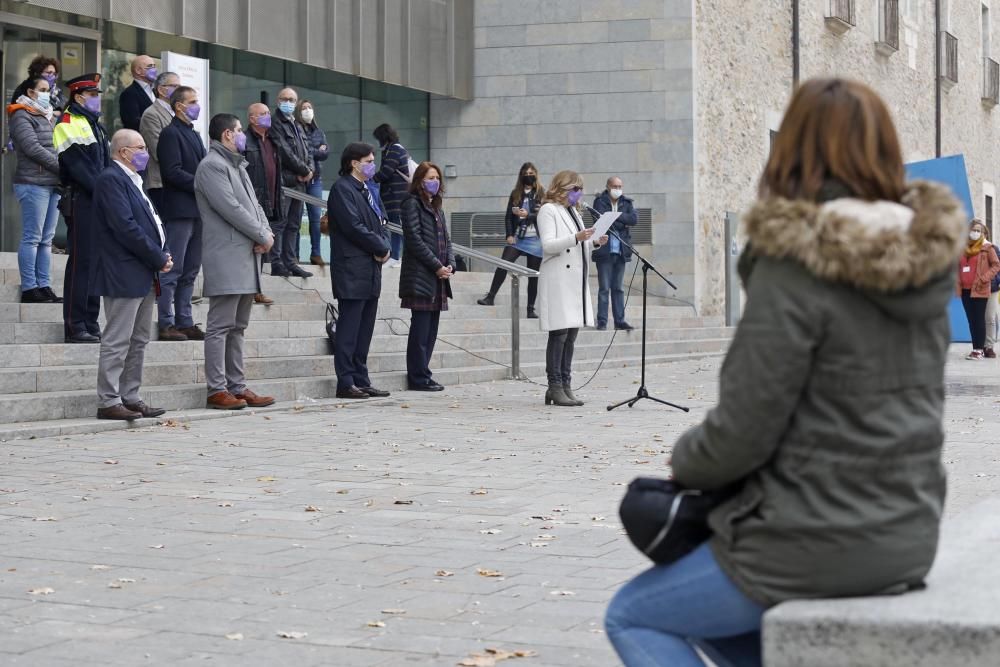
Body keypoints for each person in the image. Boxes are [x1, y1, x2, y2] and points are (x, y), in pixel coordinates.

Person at [604, 78, 966, 667]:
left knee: (634, 615)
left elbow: (746, 424)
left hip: (811, 535)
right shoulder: (925, 259)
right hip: (907, 529)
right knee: (735, 635)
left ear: (792, 150)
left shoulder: (797, 260)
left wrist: (687, 459)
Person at [195, 113, 277, 410]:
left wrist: (265, 232)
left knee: (238, 325)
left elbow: (254, 206)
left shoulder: (237, 166)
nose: (243, 135)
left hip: (245, 254)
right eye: (240, 130)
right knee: (220, 325)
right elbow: (230, 208)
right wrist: (260, 233)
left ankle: (237, 385)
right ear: (228, 134)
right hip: (227, 255)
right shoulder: (212, 167)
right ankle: (217, 389)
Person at [91, 130, 171, 421]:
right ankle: (108, 399)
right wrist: (157, 256)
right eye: (140, 147)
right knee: (118, 338)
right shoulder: (111, 180)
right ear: (123, 152)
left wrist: (164, 251)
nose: (145, 152)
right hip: (123, 270)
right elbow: (125, 227)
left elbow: (151, 222)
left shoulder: (135, 180)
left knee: (138, 339)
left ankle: (131, 396)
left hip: (145, 270)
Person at [327, 142, 392, 400]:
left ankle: (361, 378)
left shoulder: (368, 189)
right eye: (367, 160)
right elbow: (353, 226)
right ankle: (346, 381)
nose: (372, 164)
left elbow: (382, 221)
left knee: (365, 329)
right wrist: (379, 245)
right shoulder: (342, 189)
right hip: (352, 268)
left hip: (371, 268)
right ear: (354, 163)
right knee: (349, 328)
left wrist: (384, 245)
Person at [536, 170, 606, 407]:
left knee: (571, 335)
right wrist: (577, 237)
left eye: (580, 189)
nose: (579, 193)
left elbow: (579, 245)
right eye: (574, 188)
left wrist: (593, 242)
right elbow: (548, 245)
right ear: (562, 187)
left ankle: (566, 383)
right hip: (558, 278)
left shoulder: (574, 212)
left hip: (575, 279)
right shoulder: (548, 210)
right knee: (559, 333)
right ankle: (554, 385)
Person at [54, 73, 110, 344]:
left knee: (95, 264)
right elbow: (79, 169)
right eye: (93, 95)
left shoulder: (95, 125)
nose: (98, 99)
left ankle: (90, 320)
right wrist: (107, 193)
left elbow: (105, 166)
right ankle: (75, 325)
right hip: (83, 200)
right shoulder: (68, 122)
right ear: (78, 97)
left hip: (98, 200)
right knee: (81, 264)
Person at [155, 86, 206, 342]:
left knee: (191, 270)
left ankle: (184, 321)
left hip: (198, 211)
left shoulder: (194, 134)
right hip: (179, 210)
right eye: (193, 102)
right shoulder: (170, 134)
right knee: (173, 269)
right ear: (178, 106)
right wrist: (202, 182)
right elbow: (172, 171)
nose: (197, 106)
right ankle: (166, 322)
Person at [400, 162, 455, 391]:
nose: (435, 181)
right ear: (420, 180)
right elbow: (414, 240)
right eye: (430, 177)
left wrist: (450, 263)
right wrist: (435, 266)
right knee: (420, 330)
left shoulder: (437, 207)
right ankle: (417, 376)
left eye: (437, 177)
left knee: (431, 330)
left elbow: (447, 240)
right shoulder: (412, 204)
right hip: (422, 276)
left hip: (438, 278)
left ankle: (425, 372)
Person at [8, 74, 62, 303]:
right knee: (32, 237)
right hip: (33, 183)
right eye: (42, 89)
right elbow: (31, 147)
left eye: (48, 90)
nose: (47, 94)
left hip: (51, 183)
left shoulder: (46, 115)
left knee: (46, 239)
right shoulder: (21, 113)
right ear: (30, 92)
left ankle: (44, 285)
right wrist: (61, 166)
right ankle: (30, 287)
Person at [476, 163, 545, 318]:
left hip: (535, 239)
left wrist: (529, 215)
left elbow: (543, 215)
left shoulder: (541, 193)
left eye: (531, 172)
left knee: (532, 274)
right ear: (521, 175)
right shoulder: (515, 193)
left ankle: (530, 308)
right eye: (526, 172)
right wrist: (509, 235)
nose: (528, 174)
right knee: (503, 264)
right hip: (518, 237)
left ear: (536, 174)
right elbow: (508, 216)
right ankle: (491, 296)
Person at [269, 87, 314, 278]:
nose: (288, 102)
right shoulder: (275, 122)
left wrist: (310, 169)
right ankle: (277, 262)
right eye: (285, 99)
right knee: (280, 222)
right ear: (278, 100)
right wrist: (304, 170)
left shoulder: (297, 124)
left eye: (292, 100)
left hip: (300, 184)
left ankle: (291, 261)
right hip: (286, 182)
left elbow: (308, 150)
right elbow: (283, 151)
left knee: (294, 224)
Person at [244, 103, 282, 305]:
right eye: (263, 114)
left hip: (271, 199)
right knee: (254, 244)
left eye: (269, 113)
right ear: (252, 118)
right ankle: (251, 290)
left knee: (263, 245)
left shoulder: (273, 140)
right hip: (253, 200)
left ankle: (256, 289)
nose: (268, 116)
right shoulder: (245, 140)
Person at [591, 176, 637, 331]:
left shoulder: (627, 202)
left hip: (621, 251)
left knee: (618, 288)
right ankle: (602, 321)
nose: (618, 189)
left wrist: (615, 216)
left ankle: (620, 320)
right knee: (604, 288)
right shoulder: (599, 201)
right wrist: (622, 220)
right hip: (604, 250)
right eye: (615, 186)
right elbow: (600, 219)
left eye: (620, 186)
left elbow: (634, 219)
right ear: (608, 187)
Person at [958, 218, 1000, 359]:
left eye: (978, 231)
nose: (975, 233)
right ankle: (976, 348)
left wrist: (984, 278)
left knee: (980, 319)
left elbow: (996, 265)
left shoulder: (988, 248)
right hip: (965, 289)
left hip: (980, 288)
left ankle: (980, 350)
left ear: (983, 233)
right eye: (973, 230)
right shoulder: (963, 248)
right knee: (971, 320)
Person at [138, 71, 180, 212]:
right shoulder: (151, 114)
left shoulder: (177, 113)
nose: (179, 91)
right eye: (175, 86)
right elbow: (159, 151)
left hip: (178, 182)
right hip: (161, 182)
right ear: (162, 89)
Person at [372, 123, 412, 266]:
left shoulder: (394, 150)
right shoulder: (390, 150)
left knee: (396, 226)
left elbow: (387, 171)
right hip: (391, 196)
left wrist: (370, 178)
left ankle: (395, 256)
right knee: (394, 226)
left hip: (396, 197)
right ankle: (394, 255)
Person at [296, 99, 329, 266]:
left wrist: (314, 151)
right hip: (299, 179)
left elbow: (326, 153)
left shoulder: (319, 131)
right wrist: (317, 150)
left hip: (315, 180)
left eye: (309, 107)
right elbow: (302, 151)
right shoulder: (295, 128)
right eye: (304, 108)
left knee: (316, 219)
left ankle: (315, 253)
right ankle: (293, 254)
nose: (307, 110)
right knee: (294, 217)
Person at [118, 54, 157, 131]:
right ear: (138, 71)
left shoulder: (156, 91)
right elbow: (132, 122)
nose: (154, 70)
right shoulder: (129, 94)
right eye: (150, 66)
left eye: (154, 66)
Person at [985, 226, 1000, 358]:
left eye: (981, 232)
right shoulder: (968, 250)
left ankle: (989, 346)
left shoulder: (993, 248)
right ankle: (980, 345)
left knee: (990, 318)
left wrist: (996, 280)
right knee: (979, 319)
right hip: (975, 289)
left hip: (992, 287)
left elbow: (998, 266)